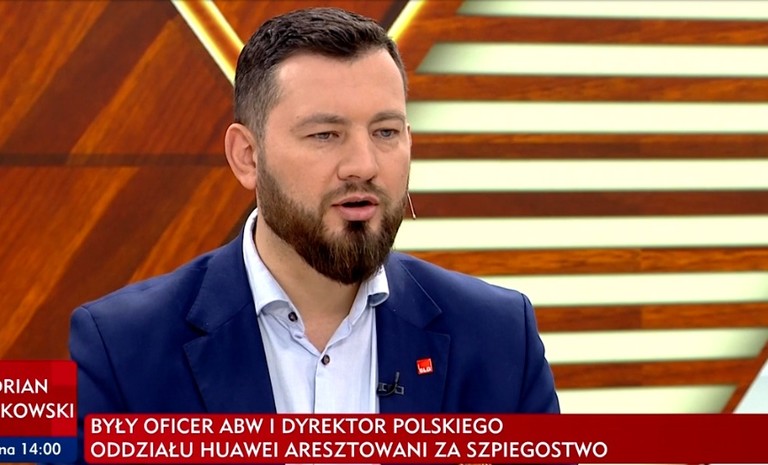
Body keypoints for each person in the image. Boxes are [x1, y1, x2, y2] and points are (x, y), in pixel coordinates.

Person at [70, 4, 559, 453]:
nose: (364, 165)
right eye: (325, 134)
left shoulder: (499, 336)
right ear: (248, 156)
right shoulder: (119, 348)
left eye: (385, 132)